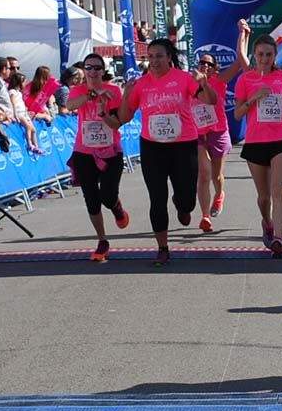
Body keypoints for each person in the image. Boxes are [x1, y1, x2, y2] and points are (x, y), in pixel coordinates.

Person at [121, 38, 217, 266]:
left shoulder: (184, 79)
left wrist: (203, 83)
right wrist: (126, 95)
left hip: (183, 145)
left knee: (187, 202)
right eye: (150, 56)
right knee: (157, 197)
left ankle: (183, 206)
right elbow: (124, 117)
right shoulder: (141, 84)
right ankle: (162, 247)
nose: (154, 61)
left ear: (169, 57)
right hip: (152, 146)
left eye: (159, 56)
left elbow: (210, 101)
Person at [234, 21, 282, 257]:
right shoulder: (246, 79)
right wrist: (254, 98)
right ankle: (267, 222)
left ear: (275, 55)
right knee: (264, 197)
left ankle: (278, 239)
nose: (264, 58)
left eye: (269, 54)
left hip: (280, 139)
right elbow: (237, 113)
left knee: (278, 188)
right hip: (255, 141)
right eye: (261, 54)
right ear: (254, 55)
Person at [65, 52, 129, 263]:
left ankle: (117, 208)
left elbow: (117, 122)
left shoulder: (113, 90)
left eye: (97, 68)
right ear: (84, 70)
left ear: (103, 71)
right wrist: (90, 96)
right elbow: (70, 106)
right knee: (91, 198)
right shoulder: (77, 89)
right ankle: (102, 241)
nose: (92, 72)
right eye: (88, 67)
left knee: (108, 196)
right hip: (84, 151)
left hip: (111, 150)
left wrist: (103, 111)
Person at [194, 50, 242, 232]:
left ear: (215, 69)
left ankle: (220, 193)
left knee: (216, 176)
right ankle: (205, 216)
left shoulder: (219, 80)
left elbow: (238, 64)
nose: (205, 66)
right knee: (204, 175)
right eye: (202, 62)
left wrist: (243, 36)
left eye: (209, 64)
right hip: (199, 134)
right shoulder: (190, 83)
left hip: (218, 132)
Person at [7, 71, 44, 155]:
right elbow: (12, 103)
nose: (25, 84)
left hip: (24, 113)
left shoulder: (19, 93)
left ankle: (36, 146)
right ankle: (29, 144)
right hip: (19, 113)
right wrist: (15, 114)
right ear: (18, 82)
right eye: (24, 82)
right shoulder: (12, 92)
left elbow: (21, 104)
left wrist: (27, 111)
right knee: (28, 127)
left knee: (33, 130)